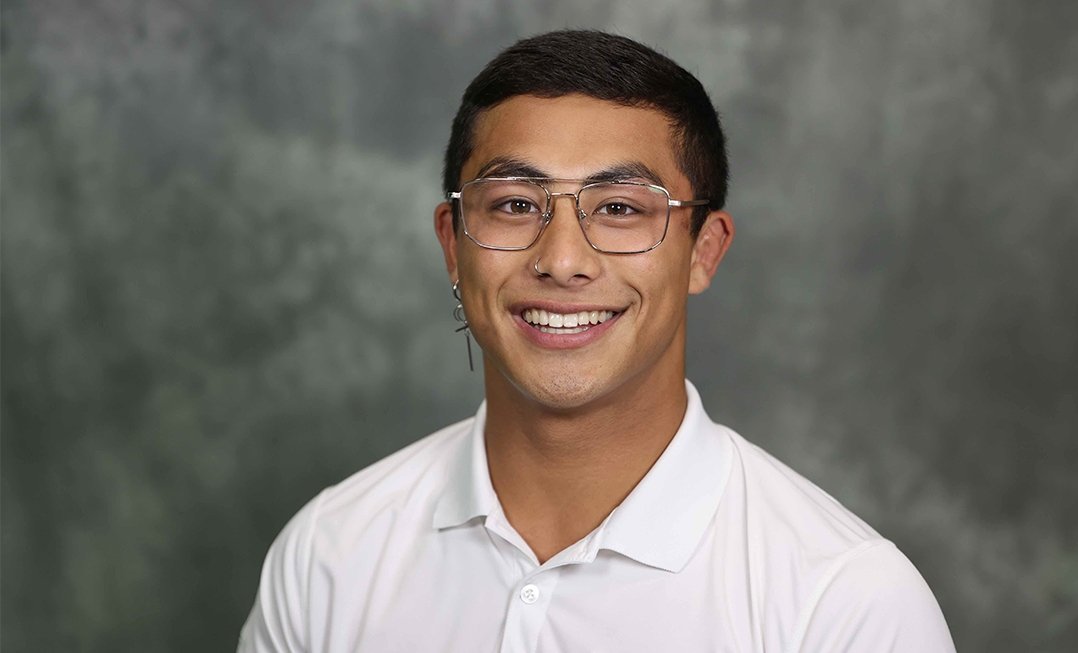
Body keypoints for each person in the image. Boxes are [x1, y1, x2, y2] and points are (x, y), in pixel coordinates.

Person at [238, 30, 956, 652]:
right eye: (516, 205)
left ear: (705, 251)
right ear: (453, 247)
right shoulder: (330, 554)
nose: (563, 259)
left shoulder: (844, 602)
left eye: (618, 209)